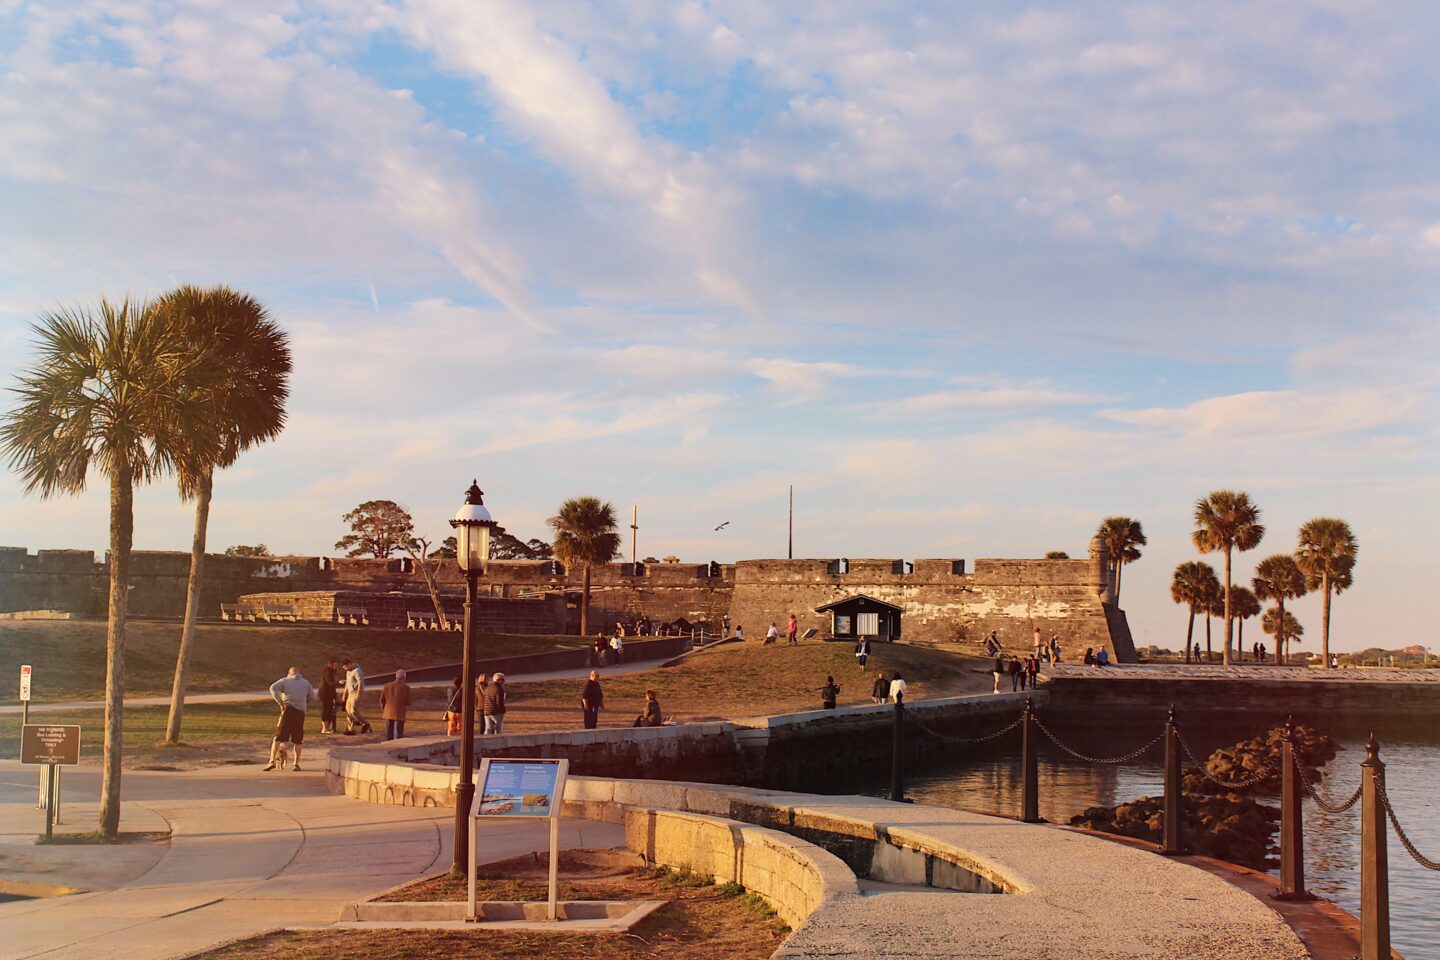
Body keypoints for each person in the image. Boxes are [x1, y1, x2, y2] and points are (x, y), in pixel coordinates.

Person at [264, 666, 316, 771]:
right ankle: (296, 763)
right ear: (299, 673)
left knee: (278, 737)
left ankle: (271, 761)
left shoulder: (285, 680)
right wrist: (304, 703)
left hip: (288, 710)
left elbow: (272, 688)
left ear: (289, 673)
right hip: (300, 712)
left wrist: (281, 702)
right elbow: (313, 697)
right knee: (298, 739)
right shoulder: (305, 683)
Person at [380, 669, 411, 741]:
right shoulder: (406, 687)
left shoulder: (387, 686)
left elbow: (382, 700)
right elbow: (408, 702)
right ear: (404, 677)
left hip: (388, 711)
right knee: (398, 733)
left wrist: (384, 709)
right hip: (399, 712)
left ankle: (389, 744)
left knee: (389, 732)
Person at [342, 659, 371, 735]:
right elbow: (347, 683)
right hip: (350, 694)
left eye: (346, 667)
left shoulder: (357, 671)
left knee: (353, 711)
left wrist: (359, 694)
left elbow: (360, 683)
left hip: (356, 693)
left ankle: (365, 724)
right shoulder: (348, 672)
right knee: (348, 711)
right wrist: (344, 694)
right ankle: (350, 729)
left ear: (349, 664)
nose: (345, 669)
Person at [319, 658, 340, 734]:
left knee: (330, 710)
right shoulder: (327, 671)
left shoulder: (333, 672)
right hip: (325, 693)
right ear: (330, 664)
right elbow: (330, 683)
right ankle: (324, 728)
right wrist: (338, 682)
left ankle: (327, 727)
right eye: (334, 665)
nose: (336, 666)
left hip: (330, 693)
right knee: (326, 710)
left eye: (336, 665)